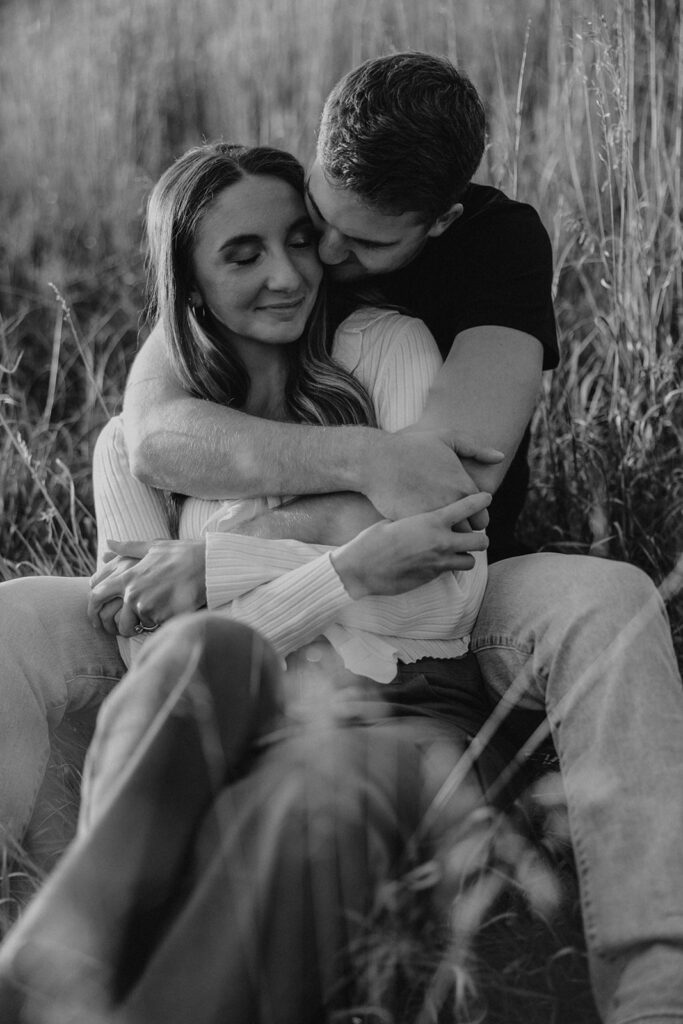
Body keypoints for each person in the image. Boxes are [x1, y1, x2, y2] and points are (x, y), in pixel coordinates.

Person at [107, 52, 683, 1024]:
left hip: (456, 579)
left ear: (437, 223)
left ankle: (654, 986)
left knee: (613, 599)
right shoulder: (267, 215)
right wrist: (365, 469)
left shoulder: (492, 248)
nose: (316, 261)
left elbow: (448, 496)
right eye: (312, 221)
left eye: (357, 243)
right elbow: (150, 439)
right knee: (24, 626)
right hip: (262, 610)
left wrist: (230, 555)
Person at [0, 140, 513, 1023]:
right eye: (242, 255)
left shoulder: (388, 352)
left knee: (304, 802)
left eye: (300, 241)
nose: (288, 275)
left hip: (392, 713)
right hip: (217, 718)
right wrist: (349, 567)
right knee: (206, 646)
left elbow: (446, 596)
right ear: (188, 284)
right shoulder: (133, 444)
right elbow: (147, 644)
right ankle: (57, 956)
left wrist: (217, 568)